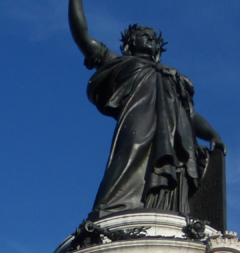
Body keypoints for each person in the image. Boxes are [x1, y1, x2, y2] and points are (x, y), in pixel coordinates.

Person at [69, 0, 225, 219]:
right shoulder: (120, 63)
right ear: (128, 45)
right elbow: (83, 37)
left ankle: (164, 211)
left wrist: (211, 133)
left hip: (175, 134)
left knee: (174, 172)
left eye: (154, 38)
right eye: (144, 35)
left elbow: (189, 114)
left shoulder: (173, 77)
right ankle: (112, 211)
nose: (150, 38)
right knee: (130, 156)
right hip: (139, 123)